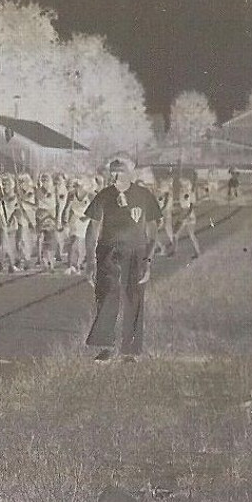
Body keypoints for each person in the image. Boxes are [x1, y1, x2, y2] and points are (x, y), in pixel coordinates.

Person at [83, 155, 164, 362]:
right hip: (108, 251)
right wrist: (90, 261)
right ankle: (105, 347)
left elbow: (153, 230)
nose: (116, 175)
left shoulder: (144, 196)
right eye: (113, 170)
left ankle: (130, 351)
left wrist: (148, 260)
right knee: (107, 295)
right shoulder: (103, 196)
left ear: (131, 173)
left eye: (120, 170)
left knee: (134, 298)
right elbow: (92, 228)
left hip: (135, 253)